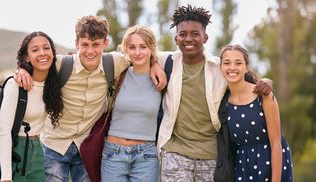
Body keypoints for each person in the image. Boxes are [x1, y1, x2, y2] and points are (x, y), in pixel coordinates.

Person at [14, 15, 167, 182]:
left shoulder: (115, 63)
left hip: (86, 147)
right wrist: (21, 70)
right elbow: (37, 62)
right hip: (55, 145)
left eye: (96, 45)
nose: (90, 51)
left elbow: (140, 56)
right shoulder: (60, 64)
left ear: (106, 43)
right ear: (76, 43)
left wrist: (155, 64)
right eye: (85, 44)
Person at [156, 4, 272, 181]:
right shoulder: (166, 61)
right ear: (176, 38)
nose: (188, 39)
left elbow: (250, 81)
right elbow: (138, 55)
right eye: (183, 34)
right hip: (175, 151)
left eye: (195, 34)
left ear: (205, 38)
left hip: (211, 155)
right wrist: (153, 66)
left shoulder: (219, 67)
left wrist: (266, 81)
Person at [219, 44, 293, 182]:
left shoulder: (263, 94)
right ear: (220, 67)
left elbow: (276, 143)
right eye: (227, 63)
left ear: (246, 67)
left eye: (238, 63)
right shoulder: (223, 101)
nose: (232, 68)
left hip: (270, 162)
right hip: (242, 166)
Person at [0, 31, 63, 182]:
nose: (42, 53)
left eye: (46, 48)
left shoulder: (52, 83)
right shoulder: (16, 84)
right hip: (15, 150)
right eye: (35, 50)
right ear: (27, 57)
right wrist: (6, 176)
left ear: (53, 53)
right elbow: (3, 130)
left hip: (38, 150)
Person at [100, 25, 161, 182]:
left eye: (143, 47)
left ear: (152, 48)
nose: (138, 52)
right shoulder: (117, 74)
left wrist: (156, 64)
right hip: (113, 153)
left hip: (146, 157)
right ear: (125, 49)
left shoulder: (162, 80)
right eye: (132, 47)